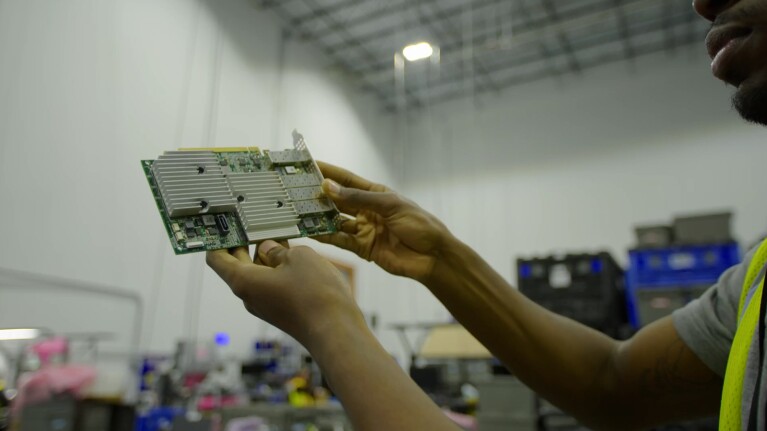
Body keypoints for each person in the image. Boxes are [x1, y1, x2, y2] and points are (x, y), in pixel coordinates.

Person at [207, 0, 767, 429]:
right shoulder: (758, 277)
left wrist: (328, 321)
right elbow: (610, 383)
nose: (701, 3)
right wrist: (442, 261)